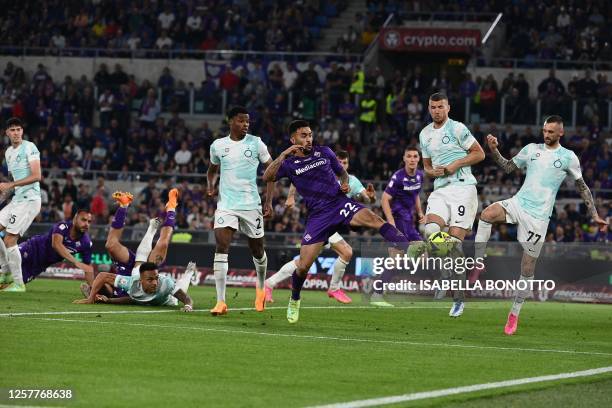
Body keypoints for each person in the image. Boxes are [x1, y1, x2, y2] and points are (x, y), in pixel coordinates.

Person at [263, 120, 411, 323]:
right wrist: (282, 155)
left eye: (310, 135)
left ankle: (404, 244)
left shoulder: (324, 152)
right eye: (303, 135)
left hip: (338, 204)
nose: (308, 139)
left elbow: (342, 173)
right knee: (304, 265)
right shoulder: (288, 164)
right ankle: (295, 299)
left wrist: (344, 183)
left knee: (373, 218)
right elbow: (267, 177)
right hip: (318, 216)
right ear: (293, 139)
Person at [474, 115, 608, 335]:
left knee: (527, 268)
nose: (546, 135)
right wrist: (493, 150)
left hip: (538, 218)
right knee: (487, 214)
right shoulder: (531, 149)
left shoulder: (568, 157)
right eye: (544, 131)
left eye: (551, 132)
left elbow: (582, 187)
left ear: (560, 133)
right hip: (519, 203)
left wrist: (594, 214)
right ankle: (478, 263)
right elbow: (507, 167)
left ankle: (514, 313)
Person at [264, 150, 376, 305]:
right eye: (339, 162)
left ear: (347, 164)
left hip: (331, 226)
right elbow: (297, 176)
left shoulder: (352, 181)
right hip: (319, 222)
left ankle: (269, 284)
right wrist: (291, 196)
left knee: (303, 263)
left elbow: (366, 197)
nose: (342, 165)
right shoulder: (321, 172)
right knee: (346, 252)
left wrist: (370, 197)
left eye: (345, 163)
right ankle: (334, 288)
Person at [419, 93, 485, 317]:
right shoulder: (424, 134)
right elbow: (426, 166)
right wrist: (432, 171)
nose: (436, 110)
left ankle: (458, 299)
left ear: (448, 107)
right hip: (440, 190)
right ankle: (446, 266)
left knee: (455, 245)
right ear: (429, 108)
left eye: (440, 107)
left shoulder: (457, 129)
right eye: (433, 107)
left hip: (463, 189)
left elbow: (479, 153)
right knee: (430, 230)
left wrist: (457, 163)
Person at [207, 106, 274, 316]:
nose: (245, 124)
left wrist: (268, 201)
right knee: (221, 244)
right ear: (231, 122)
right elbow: (212, 169)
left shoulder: (256, 143)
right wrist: (210, 185)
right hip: (226, 205)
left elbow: (271, 172)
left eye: (247, 121)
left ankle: (261, 287)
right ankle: (221, 302)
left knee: (257, 249)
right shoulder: (218, 145)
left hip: (251, 205)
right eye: (241, 121)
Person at [90, 189, 178, 298]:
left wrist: (92, 294)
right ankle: (171, 207)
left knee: (110, 245)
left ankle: (124, 205)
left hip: (126, 266)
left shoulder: (116, 287)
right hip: (146, 273)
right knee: (163, 244)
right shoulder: (126, 293)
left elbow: (102, 278)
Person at [0, 210, 94, 290]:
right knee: (5, 267)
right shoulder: (62, 227)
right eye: (83, 220)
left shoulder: (86, 243)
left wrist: (93, 290)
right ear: (75, 219)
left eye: (89, 222)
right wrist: (75, 262)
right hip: (31, 248)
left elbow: (88, 267)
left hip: (38, 266)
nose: (86, 224)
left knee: (12, 283)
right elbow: (56, 245)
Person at [0, 117, 42, 292]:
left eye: (18, 129)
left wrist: (10, 185)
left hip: (30, 200)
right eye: (12, 130)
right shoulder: (8, 152)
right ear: (7, 133)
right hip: (17, 200)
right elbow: (13, 180)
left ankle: (18, 283)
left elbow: (36, 175)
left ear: (22, 131)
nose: (16, 133)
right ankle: (6, 270)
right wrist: (5, 195)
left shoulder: (30, 147)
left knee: (10, 239)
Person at [74, 261, 195, 311]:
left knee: (182, 286)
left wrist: (188, 306)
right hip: (147, 300)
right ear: (140, 280)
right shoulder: (132, 283)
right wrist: (92, 299)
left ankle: (189, 273)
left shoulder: (165, 284)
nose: (154, 283)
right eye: (150, 279)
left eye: (156, 278)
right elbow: (102, 276)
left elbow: (186, 298)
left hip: (168, 301)